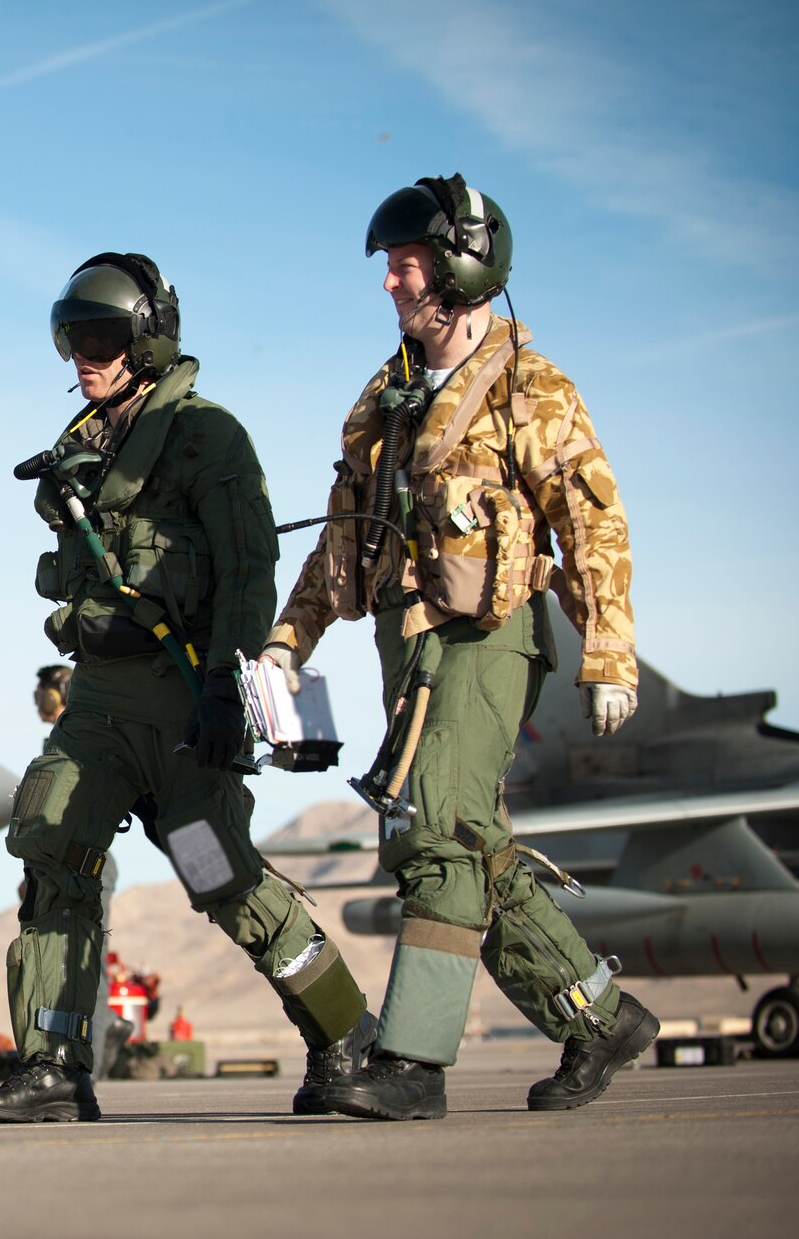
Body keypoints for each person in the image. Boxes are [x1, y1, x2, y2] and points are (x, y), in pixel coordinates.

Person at [260, 176, 655, 1119]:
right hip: (408, 648)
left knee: (433, 827)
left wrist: (609, 650)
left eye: (405, 268)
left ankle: (413, 1061)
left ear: (462, 269)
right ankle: (595, 1017)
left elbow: (594, 521)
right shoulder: (385, 394)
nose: (390, 286)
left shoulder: (531, 387)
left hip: (491, 638)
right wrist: (289, 634)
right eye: (391, 270)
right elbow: (345, 528)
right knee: (473, 839)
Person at [0, 254, 374, 1125]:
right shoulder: (80, 450)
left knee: (219, 874)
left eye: (104, 335)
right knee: (53, 853)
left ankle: (347, 1039)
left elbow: (247, 567)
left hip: (187, 703)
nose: (84, 354)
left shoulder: (205, 436)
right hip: (103, 705)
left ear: (148, 338)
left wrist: (231, 687)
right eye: (74, 336)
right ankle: (52, 1066)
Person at [34, 665, 134, 1079]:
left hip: (88, 859)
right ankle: (71, 1050)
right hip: (56, 860)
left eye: (45, 691)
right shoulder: (60, 742)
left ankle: (87, 1057)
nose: (39, 699)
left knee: (84, 956)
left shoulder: (89, 739)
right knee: (56, 958)